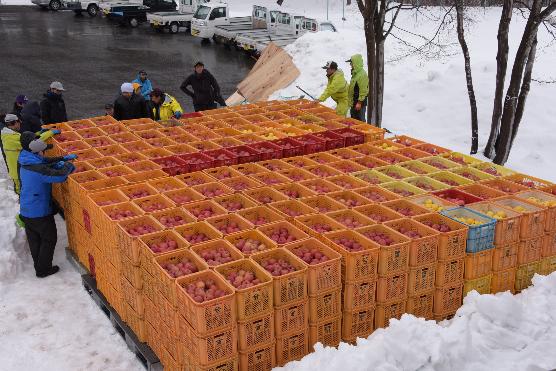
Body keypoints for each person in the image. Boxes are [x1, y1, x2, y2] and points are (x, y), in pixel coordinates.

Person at [18, 131, 76, 278]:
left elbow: (43, 162)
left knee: (34, 238)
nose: (43, 153)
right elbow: (60, 176)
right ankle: (43, 270)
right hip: (39, 210)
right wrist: (68, 165)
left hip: (26, 208)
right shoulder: (38, 169)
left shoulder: (25, 159)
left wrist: (61, 158)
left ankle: (38, 264)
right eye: (43, 151)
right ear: (37, 150)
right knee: (49, 238)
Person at [1, 114, 59, 194]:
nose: (20, 124)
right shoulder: (10, 138)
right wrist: (50, 133)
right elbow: (32, 143)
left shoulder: (9, 135)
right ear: (14, 123)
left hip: (20, 168)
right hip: (18, 171)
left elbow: (26, 139)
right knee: (22, 192)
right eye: (19, 122)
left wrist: (38, 133)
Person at [346, 54, 369, 122]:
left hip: (359, 103)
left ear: (356, 63)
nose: (350, 64)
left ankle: (364, 132)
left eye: (351, 63)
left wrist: (359, 102)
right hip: (354, 101)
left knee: (360, 121)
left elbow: (363, 90)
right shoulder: (355, 73)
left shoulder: (362, 74)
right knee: (354, 120)